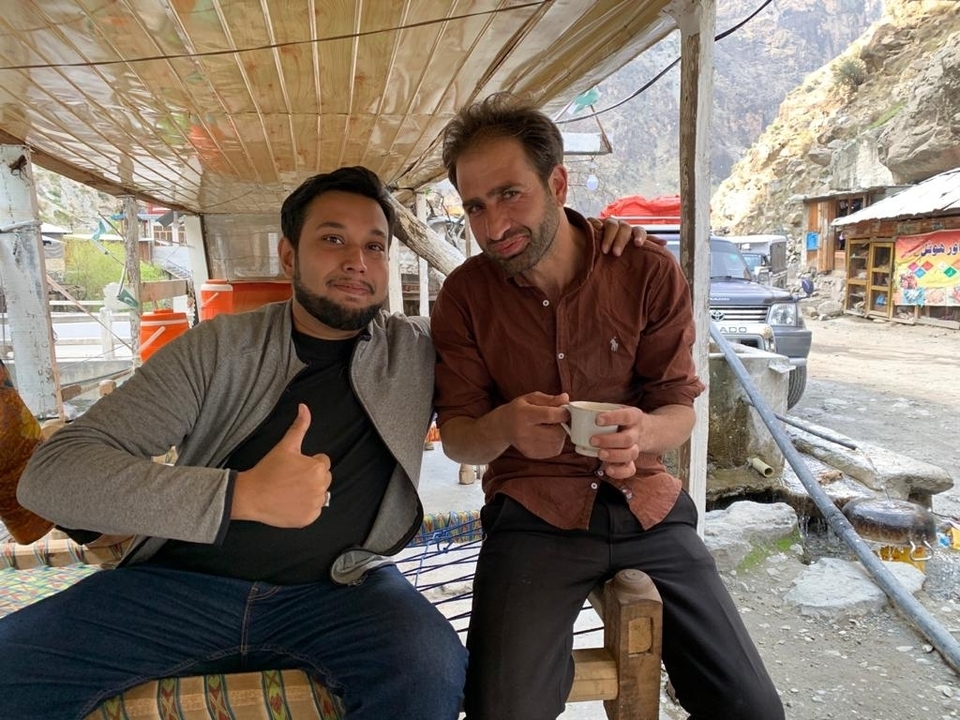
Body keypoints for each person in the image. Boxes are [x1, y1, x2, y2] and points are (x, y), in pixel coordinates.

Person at [0, 165, 642, 719]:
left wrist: (592, 243)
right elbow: (50, 477)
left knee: (429, 670)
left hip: (340, 592)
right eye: (332, 239)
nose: (356, 262)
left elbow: (517, 299)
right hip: (178, 587)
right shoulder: (219, 350)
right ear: (288, 256)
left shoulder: (419, 352)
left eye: (375, 245)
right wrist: (239, 494)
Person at [430, 93, 785, 720]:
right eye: (475, 206)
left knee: (751, 708)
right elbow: (458, 438)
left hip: (646, 504)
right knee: (504, 709)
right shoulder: (465, 297)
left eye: (511, 194)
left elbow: (680, 409)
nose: (492, 226)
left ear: (558, 182)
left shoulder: (644, 269)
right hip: (533, 513)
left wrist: (644, 432)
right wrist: (506, 427)